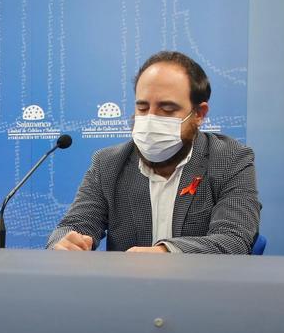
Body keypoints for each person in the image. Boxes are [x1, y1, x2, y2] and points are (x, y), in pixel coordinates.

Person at [47, 51, 260, 253]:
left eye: (167, 109)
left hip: (201, 287)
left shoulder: (230, 158)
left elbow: (234, 239)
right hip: (128, 288)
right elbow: (76, 224)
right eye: (142, 107)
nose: (150, 118)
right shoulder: (108, 163)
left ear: (199, 114)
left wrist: (165, 253)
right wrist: (65, 241)